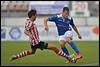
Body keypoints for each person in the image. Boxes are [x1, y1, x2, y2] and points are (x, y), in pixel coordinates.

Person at [10, 9, 75, 63]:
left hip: (33, 43)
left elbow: (27, 29)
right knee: (54, 48)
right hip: (37, 42)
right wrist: (30, 35)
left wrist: (31, 36)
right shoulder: (31, 23)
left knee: (32, 52)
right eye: (35, 15)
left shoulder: (28, 21)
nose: (36, 16)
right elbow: (25, 31)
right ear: (33, 16)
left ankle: (17, 56)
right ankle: (69, 58)